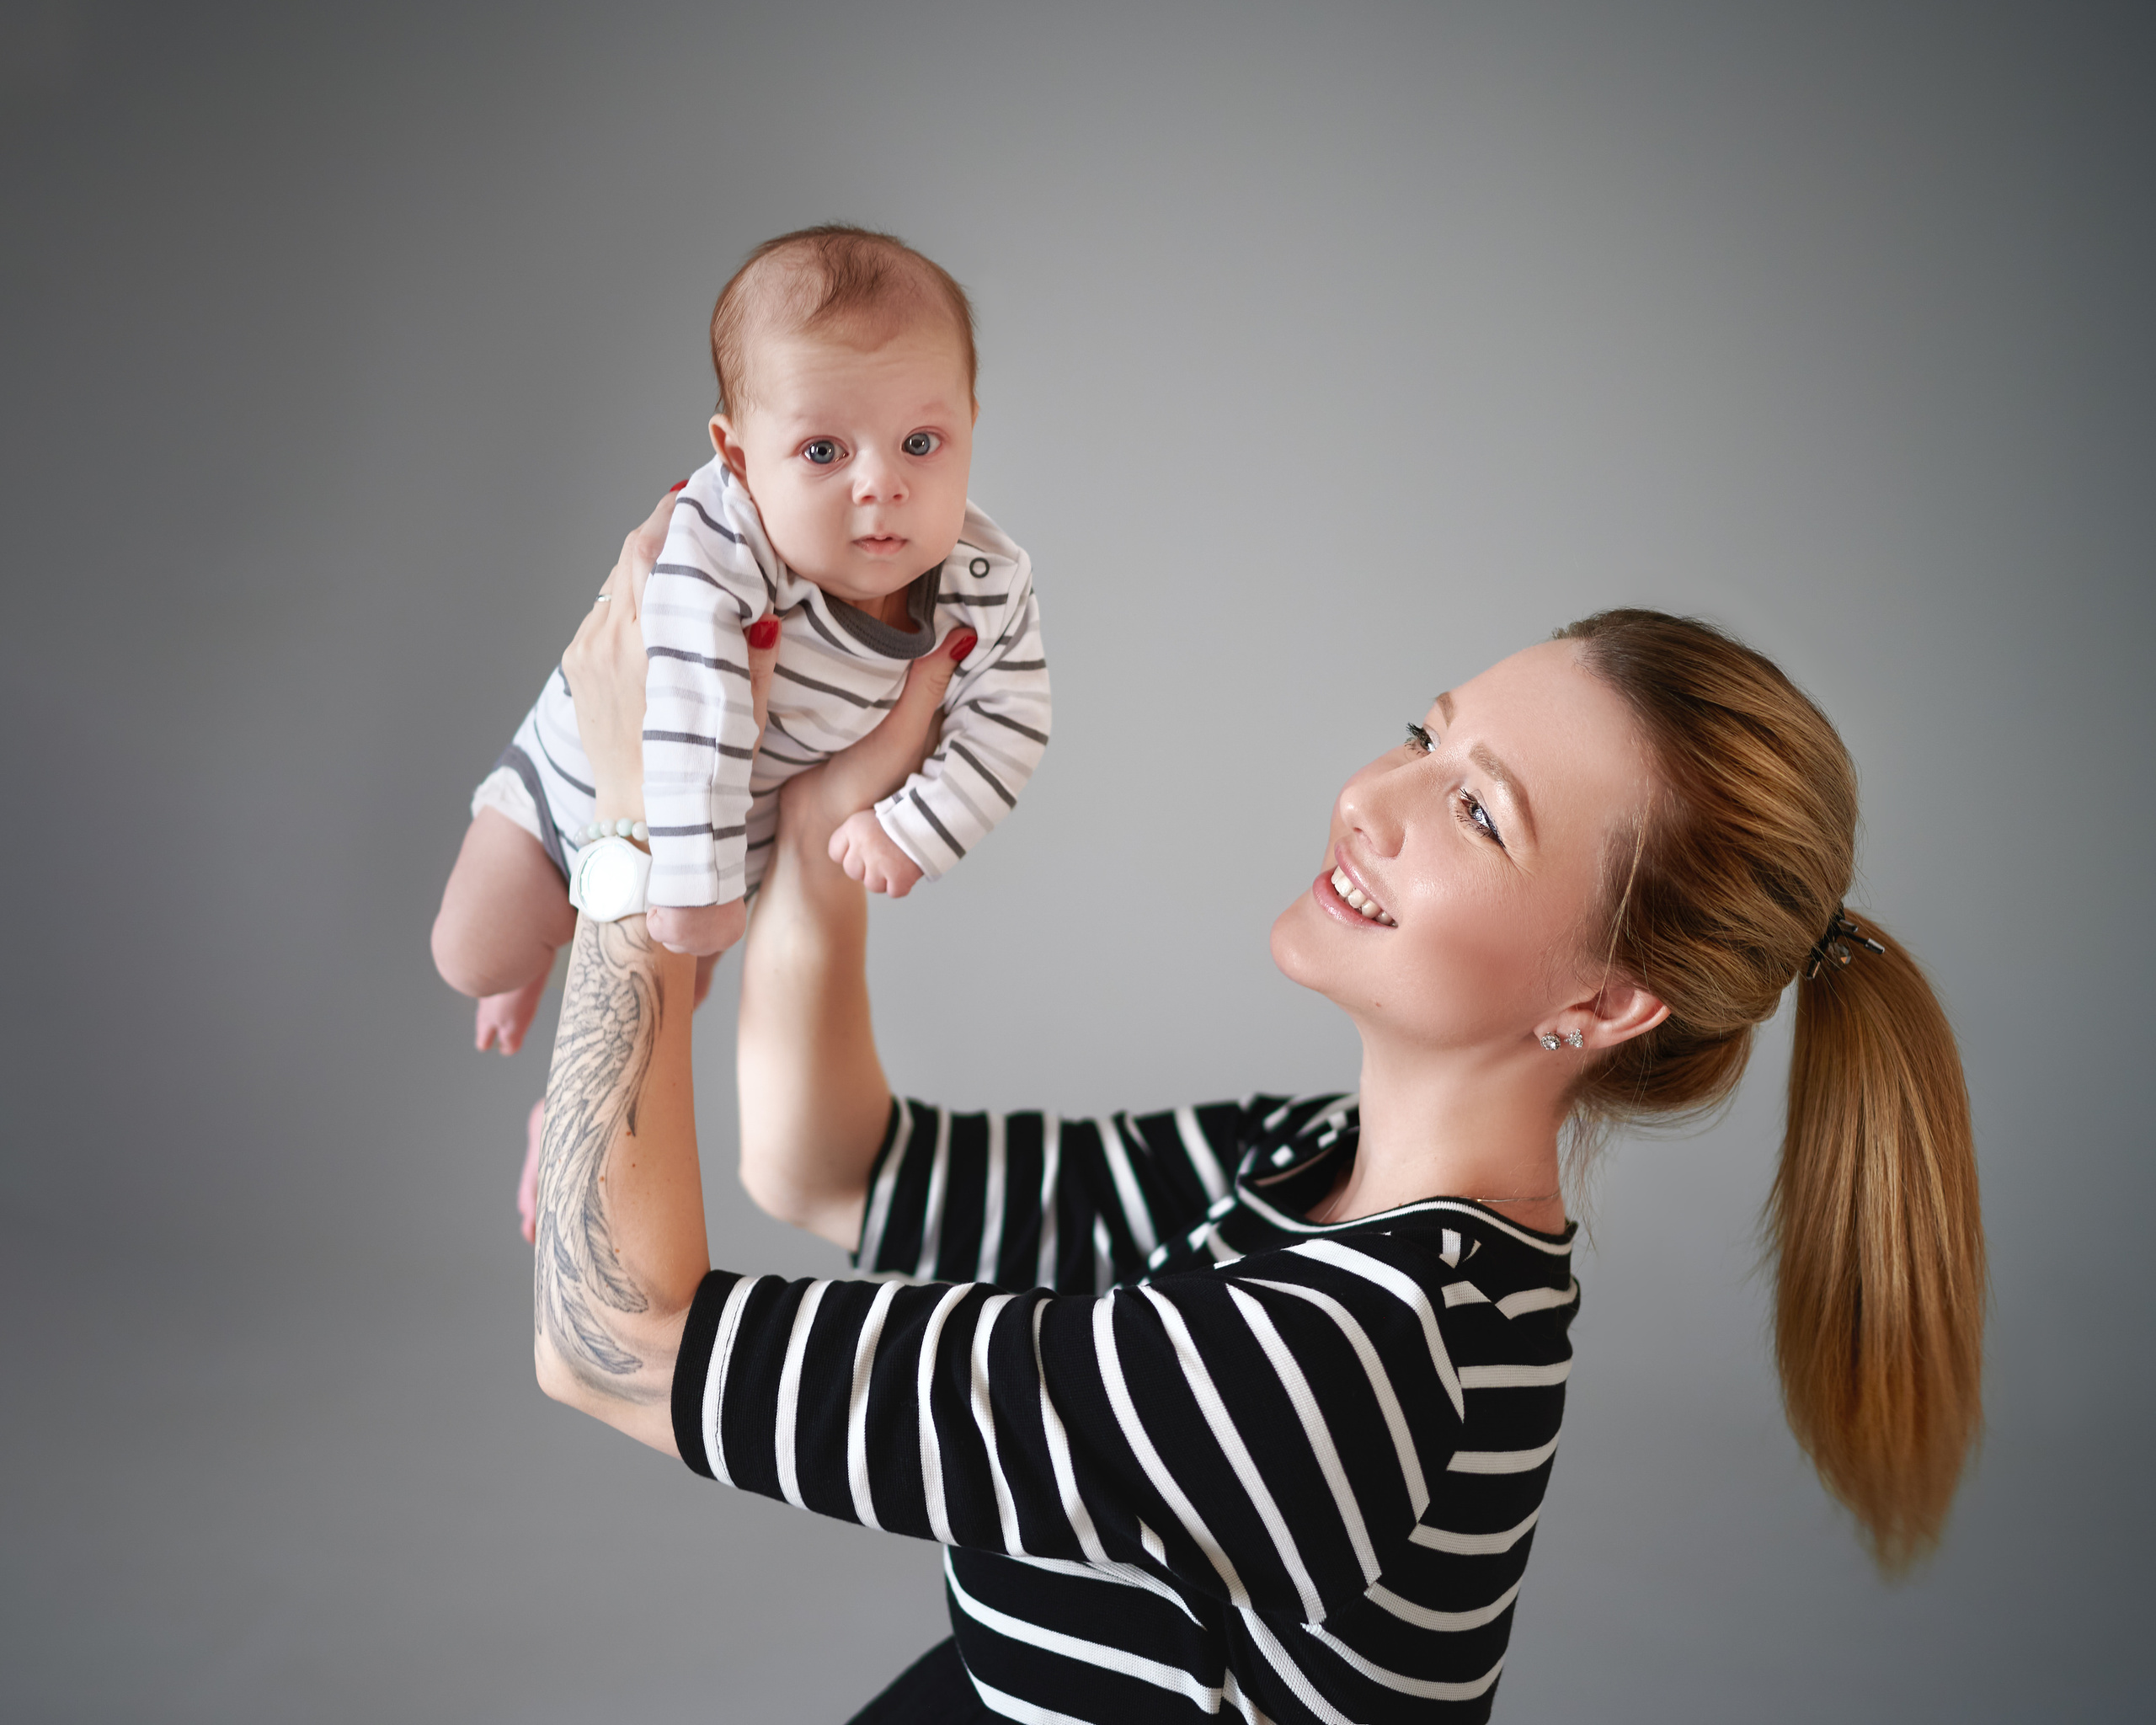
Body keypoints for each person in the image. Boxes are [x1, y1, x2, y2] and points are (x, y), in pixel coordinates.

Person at [526, 507, 1985, 1722]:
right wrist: (833, 823)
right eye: (1424, 730)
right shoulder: (1301, 1166)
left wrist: (643, 827)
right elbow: (834, 1163)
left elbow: (616, 1341)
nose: (1371, 795)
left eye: (1480, 813)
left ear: (1604, 1007)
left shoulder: (1355, 1360)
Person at [430, 225, 1050, 1064]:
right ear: (739, 457)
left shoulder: (987, 580)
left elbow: (1013, 717)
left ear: (970, 427)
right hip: (575, 795)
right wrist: (693, 884)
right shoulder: (722, 542)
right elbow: (698, 708)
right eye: (824, 451)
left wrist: (918, 828)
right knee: (475, 954)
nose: (882, 482)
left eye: (920, 443)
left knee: (660, 1024)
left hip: (735, 836)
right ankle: (536, 953)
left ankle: (558, 1116)